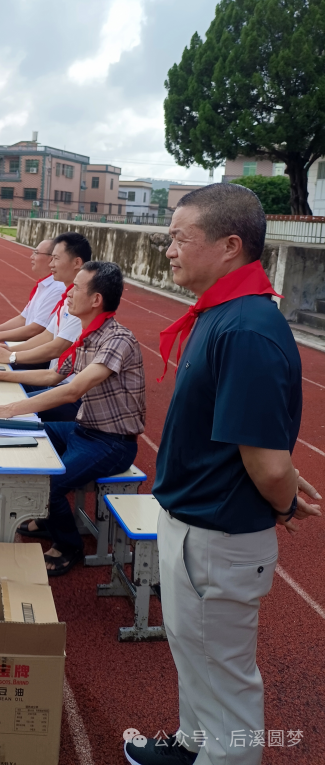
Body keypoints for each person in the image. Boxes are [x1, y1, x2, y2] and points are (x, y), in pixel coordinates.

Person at [125, 183, 322, 765]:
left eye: (180, 238)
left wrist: (284, 498)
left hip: (217, 536)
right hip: (193, 523)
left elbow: (263, 461)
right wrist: (280, 475)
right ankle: (193, 746)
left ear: (230, 245)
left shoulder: (245, 329)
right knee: (196, 656)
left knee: (225, 676)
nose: (169, 250)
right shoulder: (222, 313)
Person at [0, 261, 146, 576]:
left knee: (47, 483)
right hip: (83, 430)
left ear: (96, 300)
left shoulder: (117, 340)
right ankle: (49, 519)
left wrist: (8, 409)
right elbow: (53, 375)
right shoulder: (88, 336)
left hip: (111, 443)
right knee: (26, 436)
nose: (68, 293)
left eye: (76, 288)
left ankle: (68, 545)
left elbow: (72, 390)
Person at [0, 231, 92, 421]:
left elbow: (56, 346)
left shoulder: (82, 302)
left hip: (68, 389)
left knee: (5, 405)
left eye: (56, 258)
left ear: (76, 263)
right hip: (54, 379)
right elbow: (46, 335)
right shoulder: (68, 297)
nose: (51, 264)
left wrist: (11, 356)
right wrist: (9, 350)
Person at [0, 239, 65, 350]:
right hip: (30, 348)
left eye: (36, 253)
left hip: (36, 352)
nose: (31, 257)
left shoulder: (58, 289)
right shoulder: (45, 285)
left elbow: (36, 329)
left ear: (51, 259)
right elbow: (23, 319)